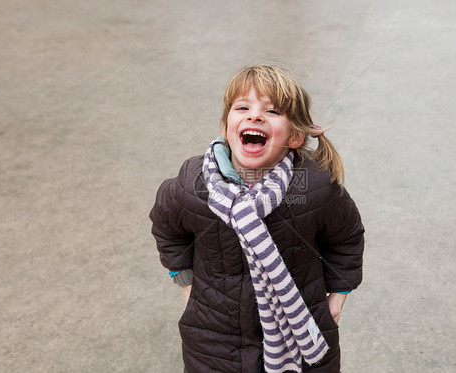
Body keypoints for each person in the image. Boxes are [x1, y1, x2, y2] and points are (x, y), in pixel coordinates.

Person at [149, 64, 364, 373]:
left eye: (273, 111)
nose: (254, 116)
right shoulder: (192, 186)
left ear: (295, 136)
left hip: (299, 332)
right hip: (213, 341)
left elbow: (346, 237)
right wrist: (186, 284)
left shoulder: (315, 188)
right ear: (225, 128)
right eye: (242, 107)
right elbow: (167, 227)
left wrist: (337, 296)